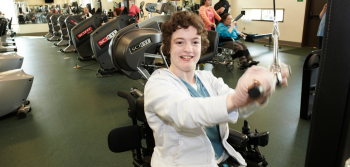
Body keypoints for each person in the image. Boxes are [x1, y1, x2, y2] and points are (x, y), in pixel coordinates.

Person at [144, 11, 288, 167]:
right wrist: (235, 99)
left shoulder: (207, 78)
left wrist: (259, 92)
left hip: (221, 158)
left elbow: (240, 109)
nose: (188, 49)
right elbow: (186, 113)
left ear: (202, 45)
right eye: (179, 42)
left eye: (195, 42)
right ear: (168, 47)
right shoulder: (157, 83)